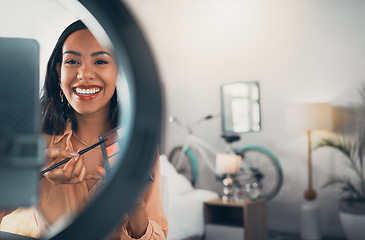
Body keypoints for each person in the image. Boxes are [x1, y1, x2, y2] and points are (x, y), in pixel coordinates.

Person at [1, 20, 168, 239]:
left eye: (100, 61)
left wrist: (134, 207)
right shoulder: (35, 140)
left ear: (119, 72)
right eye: (72, 61)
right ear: (59, 71)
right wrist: (29, 173)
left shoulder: (139, 147)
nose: (84, 74)